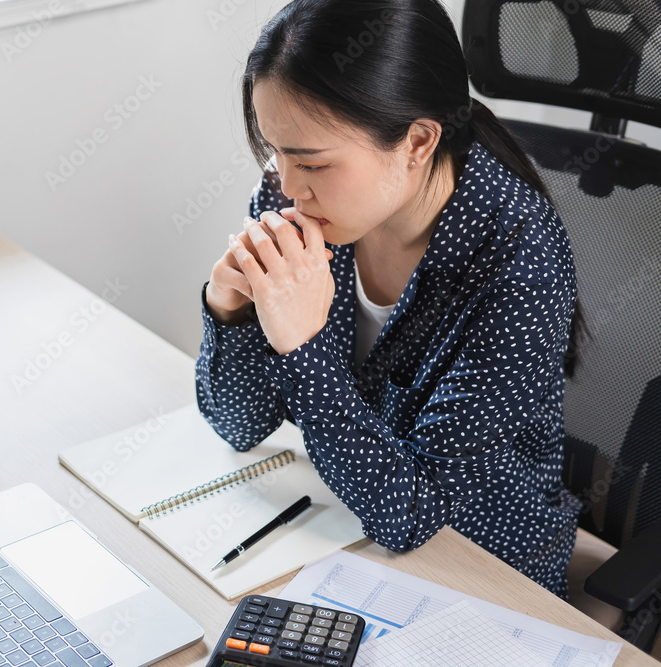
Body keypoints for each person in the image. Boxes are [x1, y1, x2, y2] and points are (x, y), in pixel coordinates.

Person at [195, 0, 584, 597]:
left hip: (479, 565)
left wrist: (301, 349)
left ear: (418, 141)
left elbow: (413, 514)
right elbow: (240, 424)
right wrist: (231, 310)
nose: (286, 185)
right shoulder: (295, 203)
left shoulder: (518, 259)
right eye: (274, 152)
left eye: (311, 162)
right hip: (343, 519)